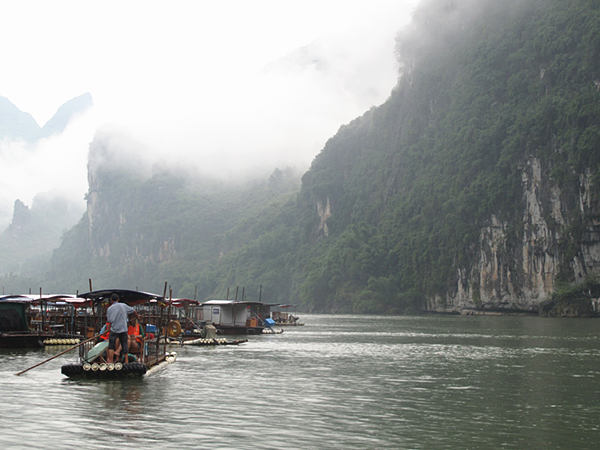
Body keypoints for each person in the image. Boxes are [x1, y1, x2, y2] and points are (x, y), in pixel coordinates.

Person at [106, 293, 139, 364]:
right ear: (118, 299)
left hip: (114, 329)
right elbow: (133, 311)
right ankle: (126, 361)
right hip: (123, 329)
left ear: (111, 300)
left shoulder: (109, 309)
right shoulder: (123, 305)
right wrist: (137, 316)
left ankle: (110, 361)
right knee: (124, 344)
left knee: (111, 346)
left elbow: (109, 320)